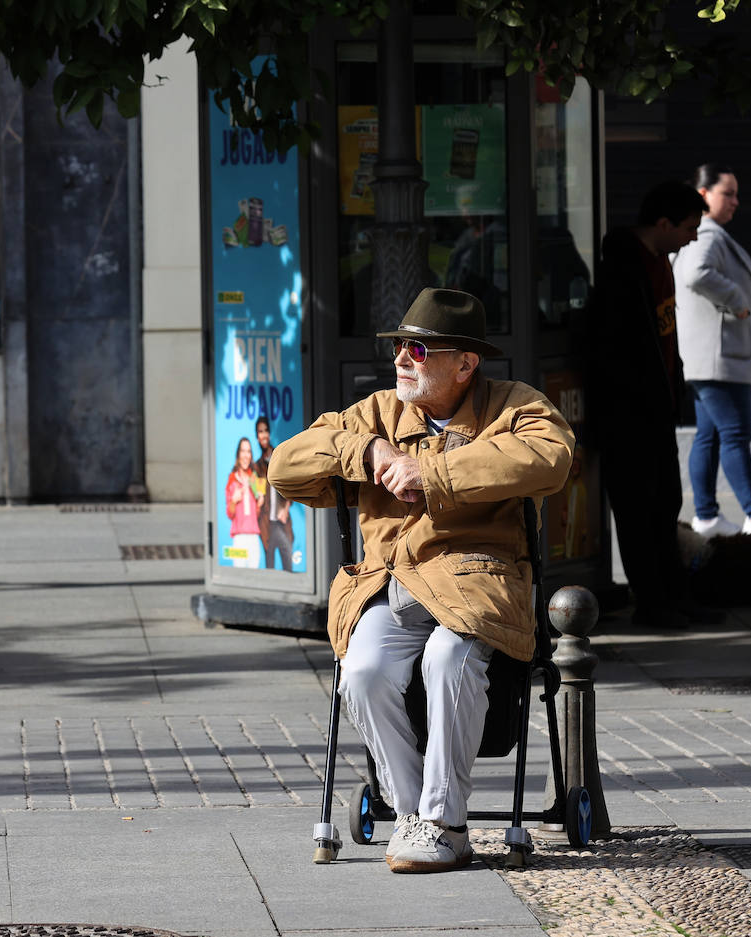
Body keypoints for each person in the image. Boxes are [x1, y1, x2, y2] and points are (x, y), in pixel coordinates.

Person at [269, 288, 574, 874]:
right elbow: (285, 466)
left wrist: (431, 471)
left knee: (447, 658)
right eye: (399, 347)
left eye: (418, 350)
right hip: (390, 580)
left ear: (465, 363)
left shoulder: (513, 405)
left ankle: (444, 821)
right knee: (362, 669)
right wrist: (369, 452)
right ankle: (413, 814)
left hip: (475, 579)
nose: (401, 359)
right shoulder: (376, 412)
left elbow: (551, 457)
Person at [587, 181, 720, 630]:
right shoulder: (623, 270)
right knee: (638, 510)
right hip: (628, 414)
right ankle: (652, 602)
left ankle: (674, 596)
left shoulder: (660, 262)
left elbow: (664, 339)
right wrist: (637, 401)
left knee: (665, 506)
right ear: (663, 223)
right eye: (689, 227)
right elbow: (614, 349)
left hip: (657, 409)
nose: (693, 237)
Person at [674, 163, 751, 536]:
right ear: (703, 194)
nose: (736, 201)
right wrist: (738, 300)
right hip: (718, 357)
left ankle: (707, 516)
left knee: (709, 436)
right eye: (728, 193)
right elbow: (696, 273)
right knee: (735, 433)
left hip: (711, 356)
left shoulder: (701, 233)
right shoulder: (706, 233)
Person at [253, 417, 294, 571]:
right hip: (267, 524)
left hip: (282, 521)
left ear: (269, 433)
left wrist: (285, 509)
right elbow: (259, 492)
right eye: (260, 432)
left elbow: (290, 483)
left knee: (288, 563)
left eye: (265, 431)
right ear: (257, 436)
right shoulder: (258, 466)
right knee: (269, 566)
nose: (263, 435)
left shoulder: (279, 456)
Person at [224, 436, 264, 568]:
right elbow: (230, 514)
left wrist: (260, 504)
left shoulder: (254, 479)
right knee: (239, 574)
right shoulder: (232, 480)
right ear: (238, 454)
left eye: (248, 451)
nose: (246, 455)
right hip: (239, 538)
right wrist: (233, 501)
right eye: (243, 451)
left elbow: (257, 514)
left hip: (254, 537)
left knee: (255, 575)